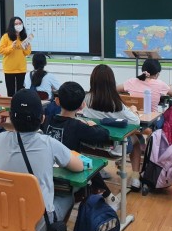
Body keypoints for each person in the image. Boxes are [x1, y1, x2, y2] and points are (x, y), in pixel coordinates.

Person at [0, 89, 83, 231]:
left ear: (10, 117)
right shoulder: (49, 143)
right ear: (42, 119)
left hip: (3, 216)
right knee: (68, 196)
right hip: (38, 224)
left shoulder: (1, 139)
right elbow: (79, 166)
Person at [45, 81, 120, 210]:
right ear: (82, 105)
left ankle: (108, 196)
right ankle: (108, 197)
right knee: (91, 164)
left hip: (47, 170)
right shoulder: (78, 126)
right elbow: (103, 135)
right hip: (68, 173)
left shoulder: (47, 120)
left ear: (57, 101)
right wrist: (93, 125)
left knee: (85, 160)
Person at [81, 64, 143, 191]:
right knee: (137, 140)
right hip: (113, 149)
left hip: (89, 146)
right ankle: (135, 179)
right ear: (111, 82)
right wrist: (134, 110)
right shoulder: (116, 103)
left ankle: (99, 170)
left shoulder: (86, 99)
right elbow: (136, 122)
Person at [117, 58, 172, 129]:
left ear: (143, 70)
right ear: (157, 74)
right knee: (164, 117)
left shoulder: (131, 81)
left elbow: (115, 89)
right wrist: (169, 87)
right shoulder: (160, 84)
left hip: (133, 118)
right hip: (152, 121)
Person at [0, 16, 32, 96]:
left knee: (21, 92)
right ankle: (11, 104)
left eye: (20, 23)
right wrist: (11, 47)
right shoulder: (6, 36)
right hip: (9, 69)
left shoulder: (24, 37)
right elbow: (0, 51)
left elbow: (27, 53)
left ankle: (20, 104)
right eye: (16, 24)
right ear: (12, 26)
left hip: (21, 68)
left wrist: (26, 47)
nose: (18, 25)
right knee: (11, 92)